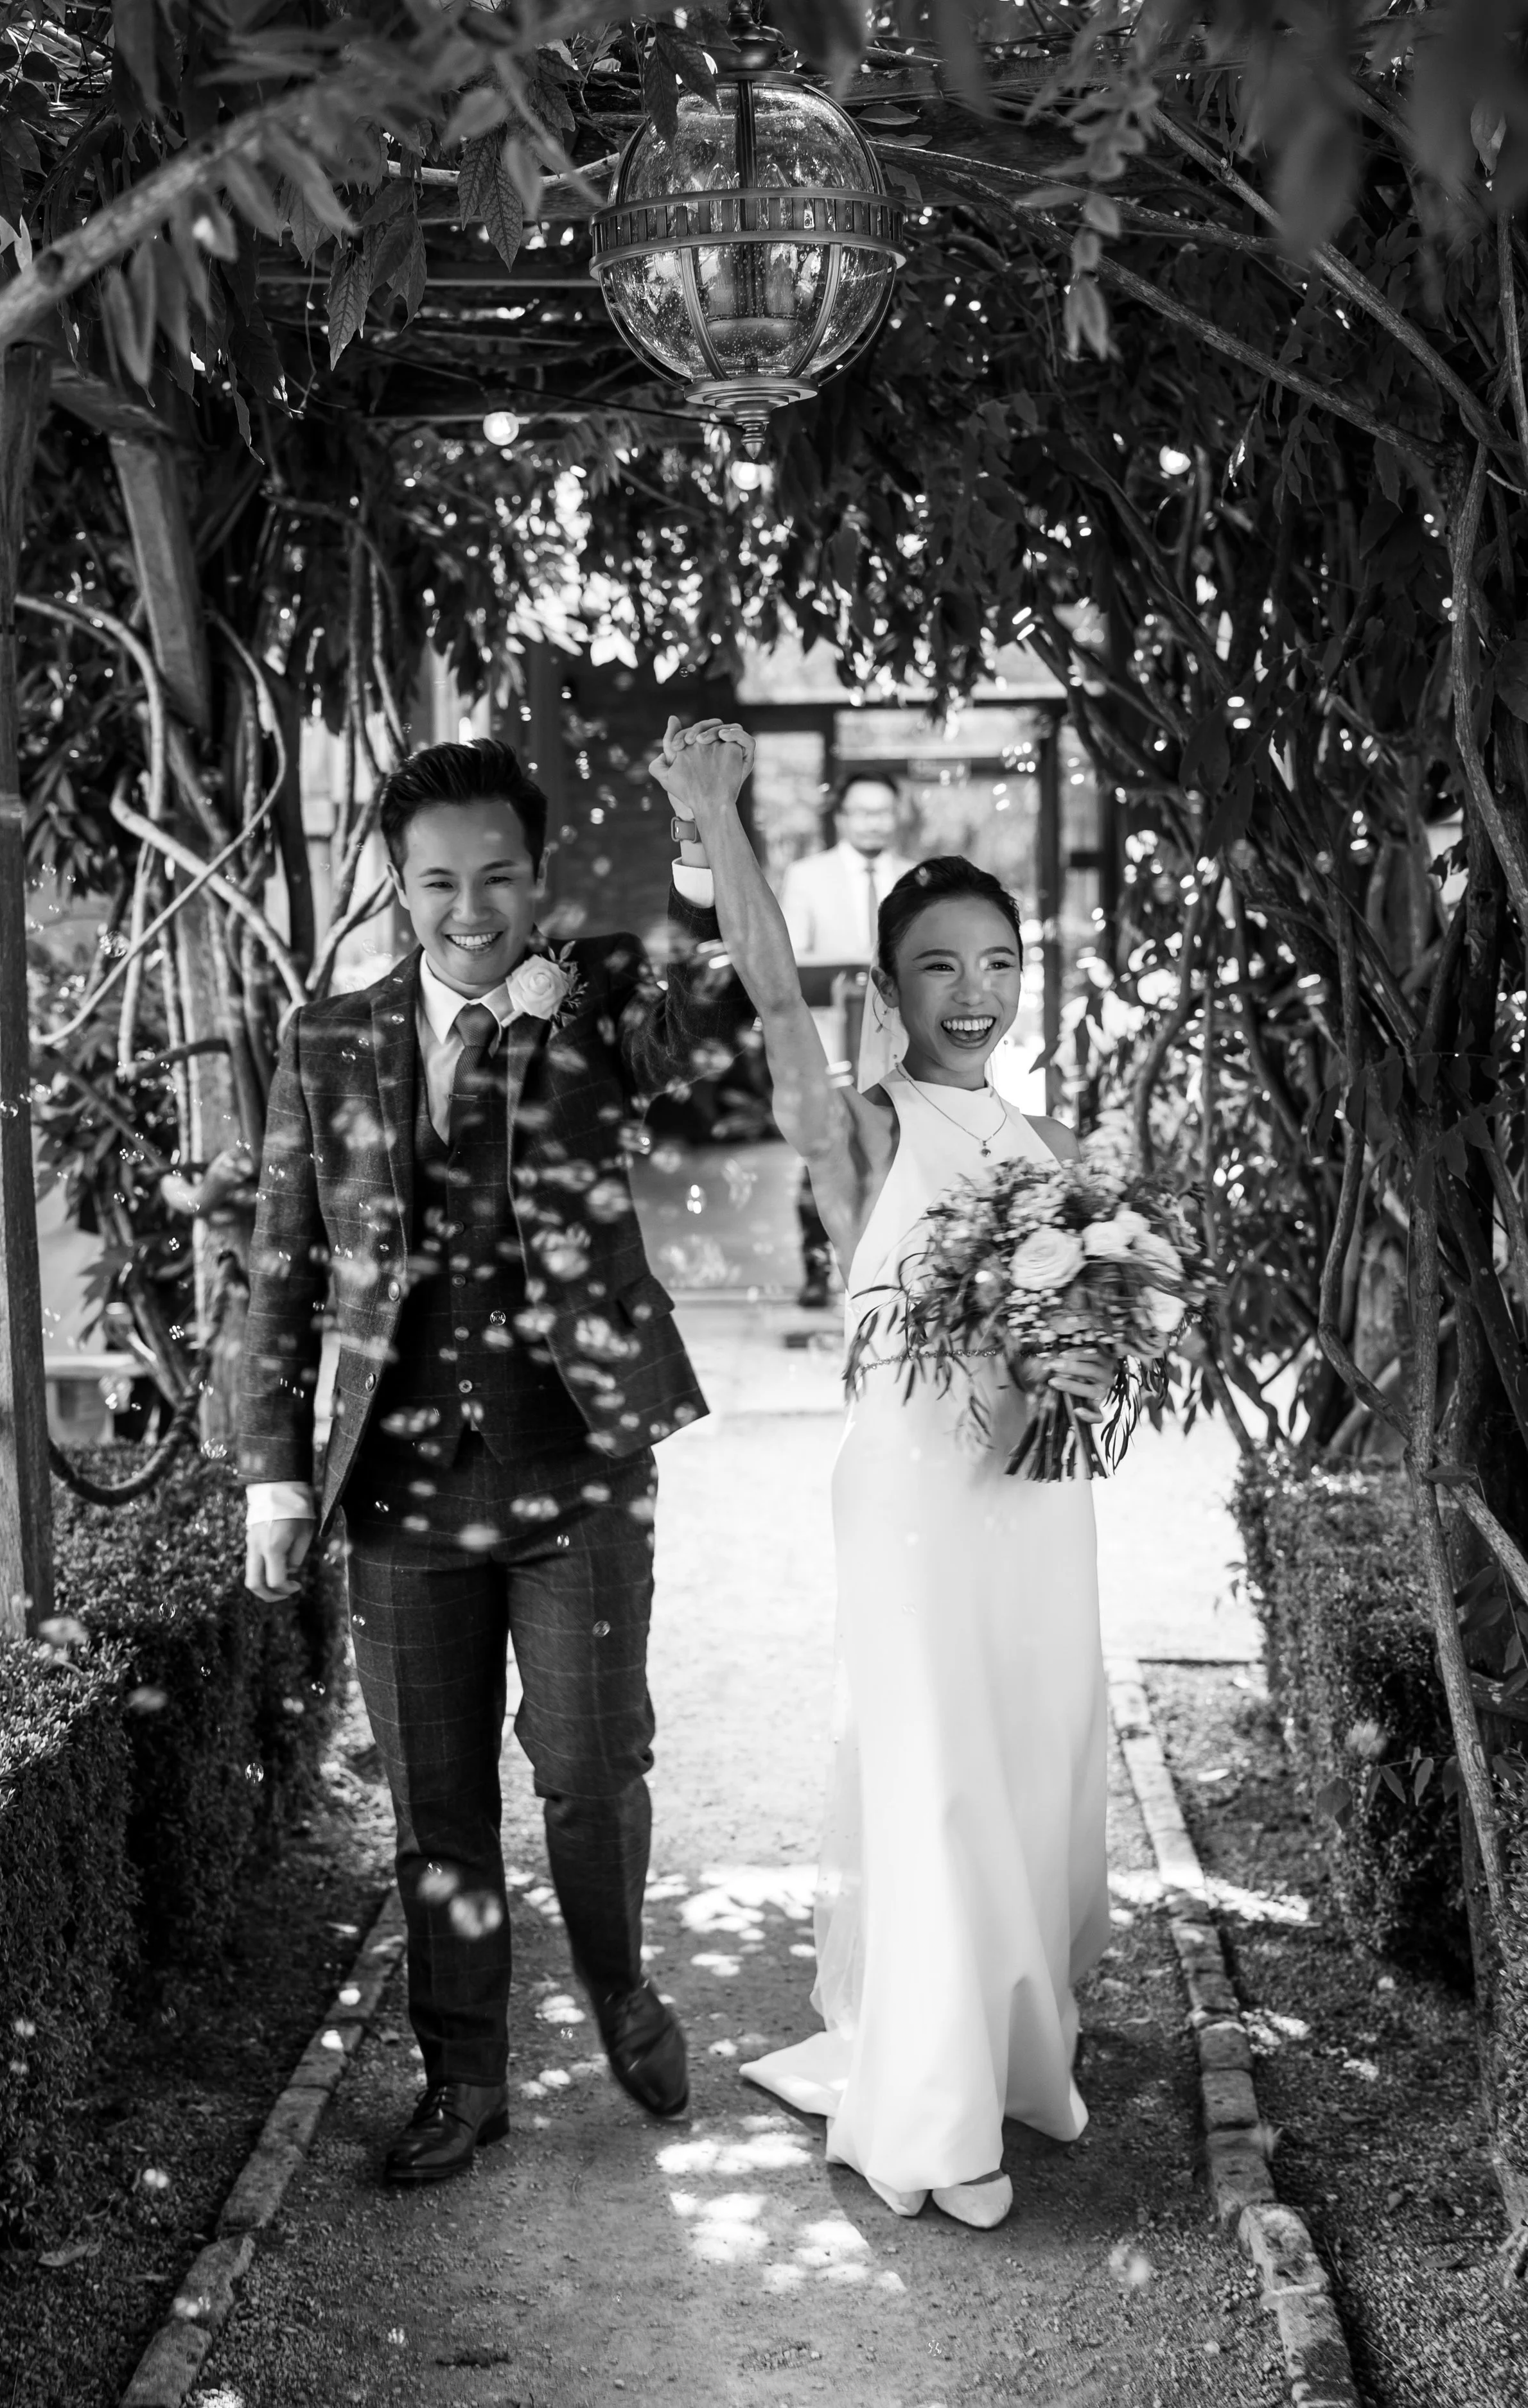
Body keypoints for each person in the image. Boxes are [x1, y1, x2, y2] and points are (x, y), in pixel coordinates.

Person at [238, 733, 747, 2187]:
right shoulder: (328, 1038)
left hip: (575, 1464)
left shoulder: (594, 1001)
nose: (474, 910)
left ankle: (620, 1988)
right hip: (399, 1487)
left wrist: (698, 837)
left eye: (501, 877)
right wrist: (275, 1470)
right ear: (398, 886)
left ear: (541, 876)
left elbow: (704, 1033)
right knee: (437, 1812)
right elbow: (280, 1259)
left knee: (594, 1767)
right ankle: (462, 2074)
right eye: (439, 882)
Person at [651, 722, 1109, 2231]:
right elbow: (776, 994)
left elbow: (1081, 1323)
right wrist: (714, 815)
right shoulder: (862, 1122)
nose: (972, 994)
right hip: (913, 1498)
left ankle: (1005, 2043)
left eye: (996, 962)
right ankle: (924, 2109)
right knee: (935, 1785)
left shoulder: (1045, 1139)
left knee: (1028, 1766)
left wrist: (1092, 1362)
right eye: (937, 966)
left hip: (1033, 1508)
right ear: (890, 986)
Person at [777, 772, 915, 1308]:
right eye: (862, 811)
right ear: (843, 817)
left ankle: (898, 1266)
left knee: (901, 1150)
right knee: (823, 1150)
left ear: (896, 816)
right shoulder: (808, 877)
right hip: (833, 1043)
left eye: (882, 811)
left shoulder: (917, 879)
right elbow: (790, 963)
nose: (873, 821)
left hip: (902, 1046)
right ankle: (818, 1266)